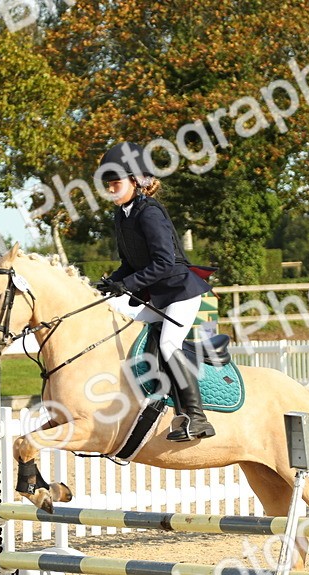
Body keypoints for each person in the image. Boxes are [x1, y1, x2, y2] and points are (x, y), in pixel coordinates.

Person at [94, 142, 216, 441]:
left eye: (116, 183)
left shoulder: (149, 213)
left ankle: (197, 419)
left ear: (135, 181)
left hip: (180, 292)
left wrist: (130, 284)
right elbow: (129, 262)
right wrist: (113, 283)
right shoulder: (122, 215)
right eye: (108, 185)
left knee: (168, 345)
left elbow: (164, 262)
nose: (111, 190)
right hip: (157, 295)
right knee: (114, 313)